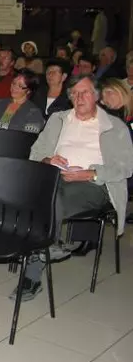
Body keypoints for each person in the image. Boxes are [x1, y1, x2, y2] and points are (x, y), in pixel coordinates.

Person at [19, 74, 133, 299]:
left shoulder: (114, 126)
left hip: (95, 185)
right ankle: (47, 245)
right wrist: (48, 160)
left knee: (50, 201)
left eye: (86, 92)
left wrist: (90, 173)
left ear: (97, 96)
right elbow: (36, 152)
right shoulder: (58, 119)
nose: (80, 97)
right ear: (70, 97)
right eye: (75, 94)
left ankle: (32, 273)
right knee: (33, 194)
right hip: (54, 178)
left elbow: (125, 168)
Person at [0, 69, 46, 134]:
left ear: (29, 90)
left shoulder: (34, 112)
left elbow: (28, 137)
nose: (15, 87)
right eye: (14, 83)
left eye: (20, 86)